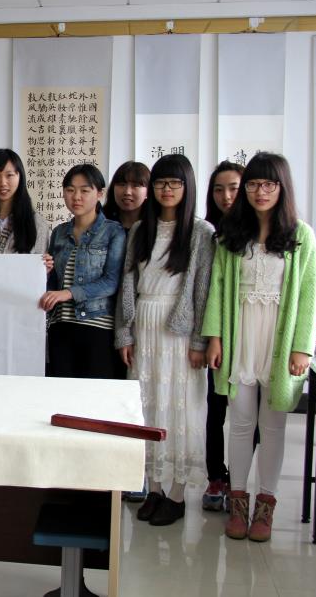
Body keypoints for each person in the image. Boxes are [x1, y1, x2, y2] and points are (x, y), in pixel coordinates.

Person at [204, 152, 316, 543]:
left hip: (280, 341)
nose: (260, 191)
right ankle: (238, 502)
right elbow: (218, 289)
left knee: (273, 426)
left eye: (269, 184)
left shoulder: (301, 236)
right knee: (239, 424)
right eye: (253, 184)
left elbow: (308, 295)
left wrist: (302, 347)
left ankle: (265, 506)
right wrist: (215, 337)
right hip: (240, 337)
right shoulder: (231, 237)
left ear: (282, 188)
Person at [115, 154, 215, 527]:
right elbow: (127, 282)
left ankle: (176, 494)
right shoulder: (141, 229)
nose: (167, 189)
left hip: (179, 330)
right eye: (160, 183)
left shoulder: (201, 233)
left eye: (174, 183)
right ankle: (153, 488)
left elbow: (203, 290)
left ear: (187, 187)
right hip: (144, 324)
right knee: (147, 405)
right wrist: (124, 332)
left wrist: (200, 341)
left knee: (182, 407)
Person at [39, 164, 125, 379]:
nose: (76, 197)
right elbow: (54, 284)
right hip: (60, 327)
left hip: (97, 326)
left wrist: (69, 293)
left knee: (94, 394)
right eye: (70, 190)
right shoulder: (59, 232)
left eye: (84, 190)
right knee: (61, 393)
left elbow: (111, 282)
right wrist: (45, 272)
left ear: (100, 194)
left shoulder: (113, 231)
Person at [202, 160, 246, 513]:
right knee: (214, 410)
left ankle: (240, 480)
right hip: (214, 334)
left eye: (233, 188)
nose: (226, 196)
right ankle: (216, 476)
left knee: (248, 414)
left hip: (249, 334)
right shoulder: (207, 232)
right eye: (219, 189)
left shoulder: (258, 232)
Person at [0, 149, 50, 255]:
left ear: (20, 177)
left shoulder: (37, 225)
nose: (3, 183)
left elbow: (40, 263)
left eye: (9, 175)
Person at [103, 161, 150, 232]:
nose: (127, 192)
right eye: (122, 184)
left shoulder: (155, 225)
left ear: (148, 191)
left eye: (135, 185)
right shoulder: (99, 222)